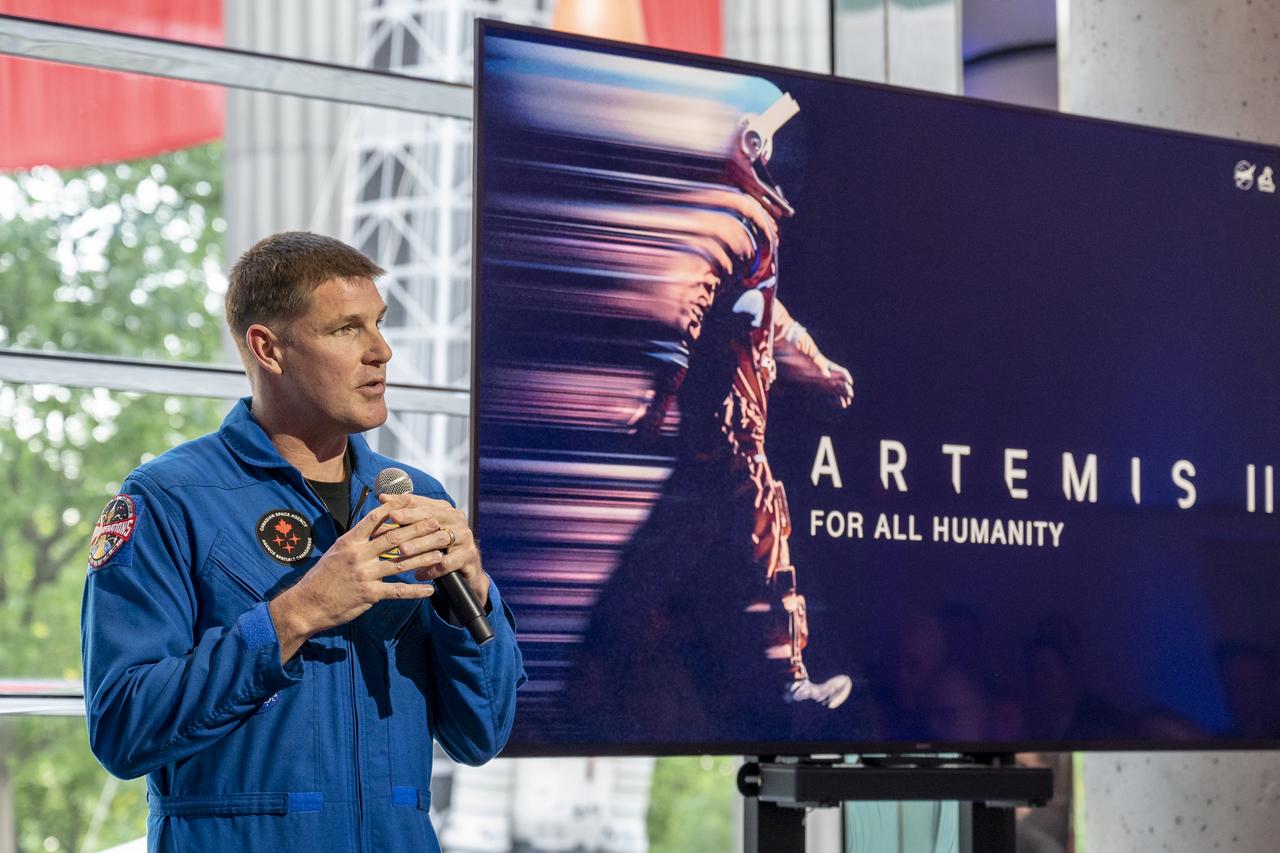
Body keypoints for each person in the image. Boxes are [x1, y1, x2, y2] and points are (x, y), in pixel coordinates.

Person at [81, 231, 525, 852]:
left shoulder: (411, 496)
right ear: (268, 348)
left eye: (379, 323)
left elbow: (482, 736)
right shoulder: (167, 500)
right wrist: (297, 614)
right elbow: (124, 728)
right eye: (346, 329)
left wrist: (468, 600)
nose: (382, 351)